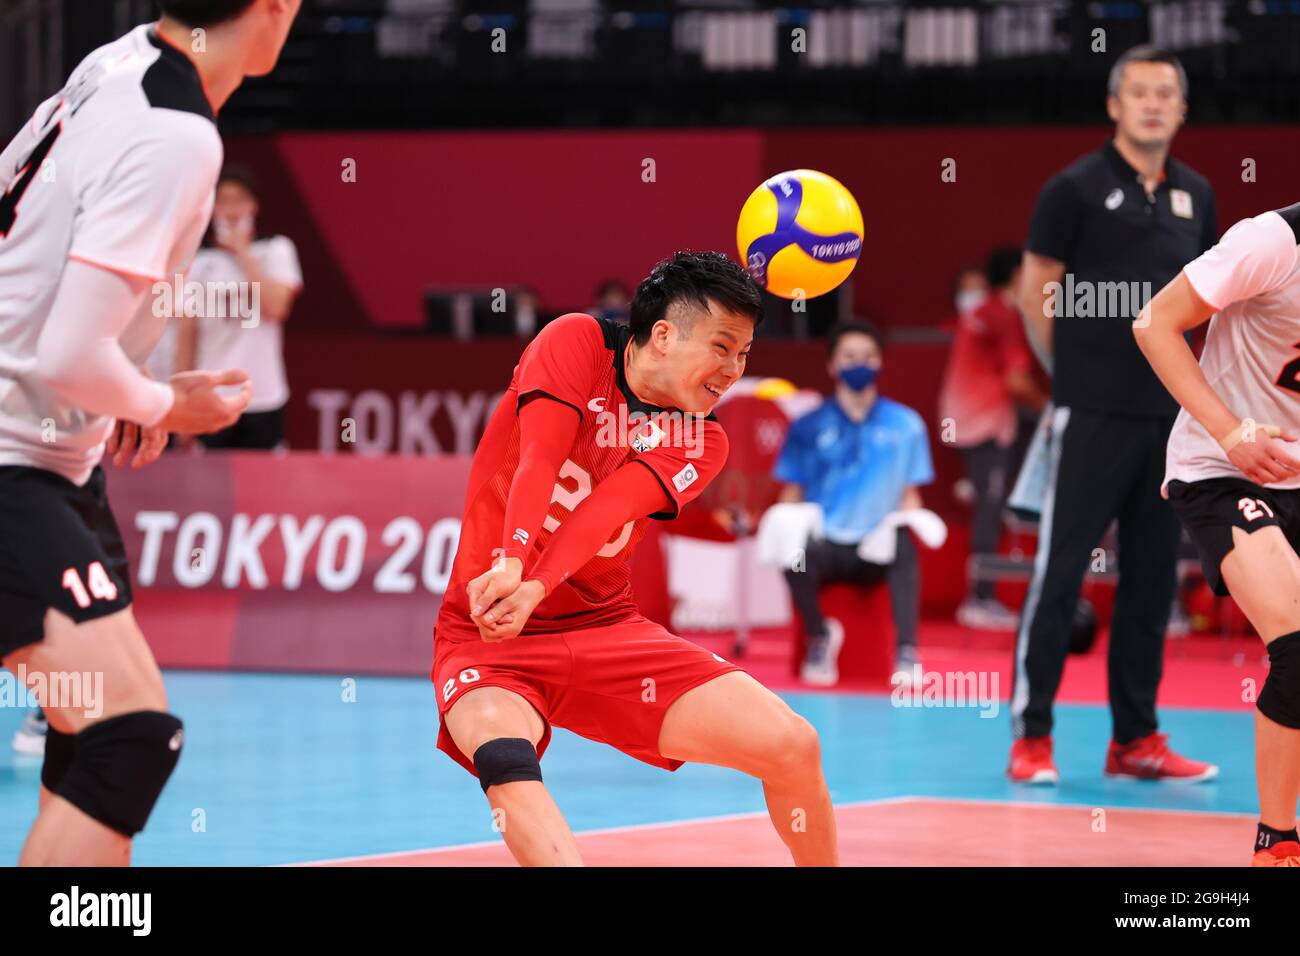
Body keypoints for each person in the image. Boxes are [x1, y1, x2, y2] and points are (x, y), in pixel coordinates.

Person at [0, 0, 300, 865]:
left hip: (56, 454)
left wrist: (125, 393)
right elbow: (67, 350)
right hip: (16, 458)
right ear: (274, 10)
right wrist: (166, 406)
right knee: (127, 736)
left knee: (86, 735)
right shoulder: (178, 134)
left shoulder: (118, 61)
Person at [432, 251, 839, 866]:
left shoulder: (702, 438)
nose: (733, 369)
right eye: (723, 346)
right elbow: (539, 458)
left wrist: (535, 583)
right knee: (504, 759)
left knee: (794, 745)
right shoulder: (576, 341)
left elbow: (603, 514)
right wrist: (514, 564)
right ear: (666, 334)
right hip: (487, 636)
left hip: (608, 632)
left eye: (745, 354)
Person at [1011, 45, 1219, 784]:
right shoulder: (1071, 189)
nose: (1153, 104)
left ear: (1182, 109)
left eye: (1167, 93)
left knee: (1154, 580)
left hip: (1170, 420)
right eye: (1139, 93)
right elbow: (1038, 294)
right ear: (1114, 105)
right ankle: (1032, 736)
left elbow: (1207, 305)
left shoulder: (1198, 194)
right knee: (1059, 573)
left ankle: (1136, 740)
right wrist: (1071, 371)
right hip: (1089, 409)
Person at [1135, 202, 1300, 865]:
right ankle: (1278, 842)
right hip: (1224, 471)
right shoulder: (1271, 242)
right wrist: (1231, 434)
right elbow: (1154, 322)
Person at [773, 318, 934, 685]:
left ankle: (907, 653)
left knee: (905, 545)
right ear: (832, 364)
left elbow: (911, 495)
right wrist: (782, 529)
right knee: (792, 554)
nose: (859, 364)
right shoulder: (807, 425)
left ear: (880, 362)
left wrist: (906, 521)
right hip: (826, 544)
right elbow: (792, 491)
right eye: (849, 356)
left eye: (868, 356)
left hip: (875, 546)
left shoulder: (906, 424)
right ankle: (819, 635)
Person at [939, 247, 1048, 629]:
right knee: (990, 503)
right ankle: (979, 600)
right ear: (1018, 277)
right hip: (980, 424)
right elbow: (1017, 383)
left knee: (992, 501)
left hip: (977, 422)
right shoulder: (1002, 314)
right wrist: (1051, 410)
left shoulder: (986, 309)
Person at [179, 165, 303, 450]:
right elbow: (187, 335)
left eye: (239, 200)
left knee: (266, 488)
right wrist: (183, 401)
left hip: (263, 397)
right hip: (210, 399)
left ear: (253, 206)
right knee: (207, 487)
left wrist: (243, 253)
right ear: (211, 208)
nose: (232, 210)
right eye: (223, 201)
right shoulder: (197, 261)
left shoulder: (276, 250)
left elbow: (277, 307)